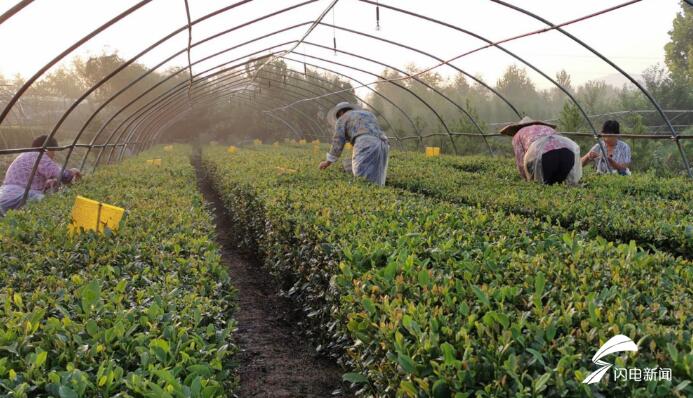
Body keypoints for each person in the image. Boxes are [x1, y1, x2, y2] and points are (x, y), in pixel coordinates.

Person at [0, 135, 81, 216]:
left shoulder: (25, 155)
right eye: (53, 151)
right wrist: (72, 171)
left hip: (4, 195)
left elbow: (27, 180)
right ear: (46, 149)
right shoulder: (39, 155)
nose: (54, 155)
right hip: (18, 196)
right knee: (49, 206)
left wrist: (48, 184)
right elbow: (64, 176)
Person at [319, 102, 390, 186]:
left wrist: (328, 162)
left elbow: (338, 141)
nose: (338, 118)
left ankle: (367, 196)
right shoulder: (368, 114)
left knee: (361, 177)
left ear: (341, 112)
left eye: (338, 115)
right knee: (377, 175)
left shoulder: (342, 118)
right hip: (383, 144)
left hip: (365, 143)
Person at [501, 116, 582, 185]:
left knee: (544, 186)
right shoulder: (547, 128)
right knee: (560, 184)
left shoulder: (518, 135)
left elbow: (521, 162)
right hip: (567, 151)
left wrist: (527, 181)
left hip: (545, 155)